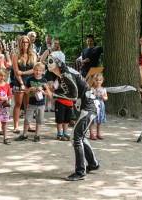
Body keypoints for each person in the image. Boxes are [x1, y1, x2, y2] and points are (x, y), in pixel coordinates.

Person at [44, 51, 100, 181]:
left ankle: (80, 172)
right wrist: (53, 92)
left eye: (51, 61)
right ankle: (93, 163)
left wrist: (54, 95)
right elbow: (69, 90)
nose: (49, 63)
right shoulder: (65, 74)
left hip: (88, 107)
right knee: (80, 136)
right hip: (85, 107)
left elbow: (73, 95)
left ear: (58, 62)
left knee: (76, 137)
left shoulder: (66, 74)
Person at [16, 62, 48, 142]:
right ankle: (24, 134)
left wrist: (42, 90)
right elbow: (26, 91)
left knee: (39, 120)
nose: (38, 72)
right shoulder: (30, 79)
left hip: (41, 104)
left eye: (40, 71)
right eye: (36, 70)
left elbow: (47, 93)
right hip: (31, 103)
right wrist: (30, 89)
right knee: (27, 119)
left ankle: (37, 135)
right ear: (33, 70)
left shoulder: (44, 80)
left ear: (43, 71)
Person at [11, 35, 36, 134]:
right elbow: (16, 72)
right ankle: (16, 126)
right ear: (20, 43)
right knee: (18, 104)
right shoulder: (16, 55)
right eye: (23, 42)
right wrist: (21, 83)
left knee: (28, 105)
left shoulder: (33, 55)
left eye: (26, 42)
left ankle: (28, 124)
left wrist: (23, 73)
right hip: (19, 81)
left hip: (30, 81)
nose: (25, 44)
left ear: (29, 44)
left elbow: (34, 70)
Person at [40, 38, 61, 112]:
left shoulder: (59, 52)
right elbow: (41, 60)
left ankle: (53, 106)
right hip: (49, 72)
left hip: (56, 72)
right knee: (49, 89)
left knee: (54, 89)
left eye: (57, 43)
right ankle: (46, 106)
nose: (56, 45)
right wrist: (49, 64)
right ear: (52, 43)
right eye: (55, 43)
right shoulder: (48, 51)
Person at [89, 74, 108, 140]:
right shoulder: (92, 89)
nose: (98, 81)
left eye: (100, 80)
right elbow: (89, 97)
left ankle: (98, 133)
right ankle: (91, 134)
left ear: (102, 81)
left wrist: (102, 96)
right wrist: (94, 94)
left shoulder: (103, 89)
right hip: (93, 106)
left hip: (101, 106)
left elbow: (106, 98)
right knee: (92, 120)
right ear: (94, 81)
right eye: (96, 80)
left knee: (99, 121)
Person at [54, 76, 72, 141]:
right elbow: (54, 88)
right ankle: (59, 134)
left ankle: (65, 133)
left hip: (69, 102)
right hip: (60, 101)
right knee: (60, 119)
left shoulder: (72, 78)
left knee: (67, 120)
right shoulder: (58, 78)